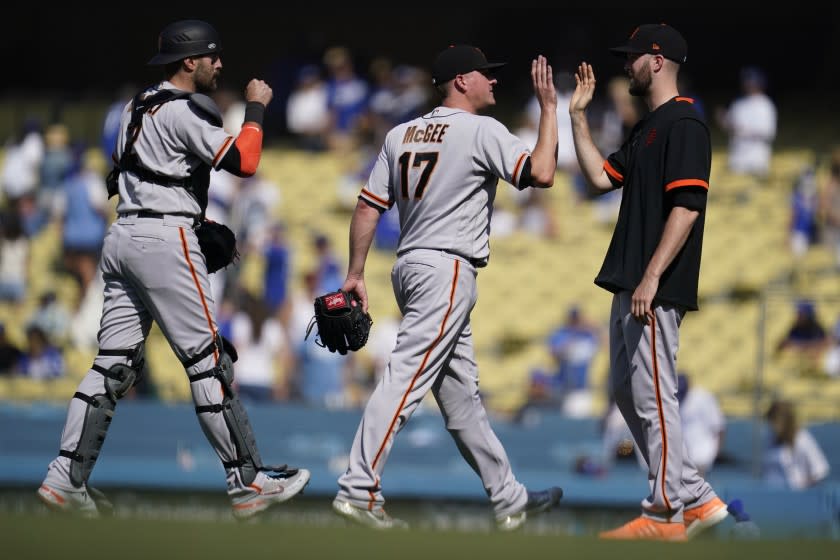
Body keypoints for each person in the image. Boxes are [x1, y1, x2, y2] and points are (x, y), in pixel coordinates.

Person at [35, 19, 309, 520]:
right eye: (212, 55)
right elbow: (245, 160)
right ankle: (246, 482)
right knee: (208, 362)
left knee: (112, 364)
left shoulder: (130, 108)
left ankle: (64, 478)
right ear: (190, 62)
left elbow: (132, 174)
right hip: (165, 237)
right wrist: (256, 107)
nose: (219, 63)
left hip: (122, 238)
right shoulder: (182, 111)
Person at [330, 44, 563, 531]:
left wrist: (354, 272)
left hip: (410, 266)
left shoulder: (401, 133)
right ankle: (358, 489)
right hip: (447, 268)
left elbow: (370, 205)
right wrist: (548, 110)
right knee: (406, 377)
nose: (494, 81)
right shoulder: (480, 130)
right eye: (486, 73)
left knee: (460, 399)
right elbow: (541, 172)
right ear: (460, 80)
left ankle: (509, 497)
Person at [569, 23, 728, 541]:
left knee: (655, 396)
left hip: (652, 286)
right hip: (631, 282)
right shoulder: (648, 127)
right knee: (626, 391)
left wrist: (653, 276)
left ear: (657, 61)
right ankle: (697, 498)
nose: (627, 65)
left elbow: (687, 208)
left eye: (634, 57)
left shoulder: (685, 123)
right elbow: (599, 179)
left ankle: (665, 514)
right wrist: (576, 117)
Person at [715, 66, 777, 180]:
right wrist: (723, 120)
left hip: (756, 162)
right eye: (746, 80)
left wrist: (741, 129)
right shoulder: (738, 104)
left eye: (750, 80)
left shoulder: (766, 105)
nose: (747, 83)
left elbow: (768, 134)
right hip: (737, 160)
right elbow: (729, 128)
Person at [762, 398, 830, 489]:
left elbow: (821, 470)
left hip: (797, 498)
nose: (772, 425)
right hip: (772, 496)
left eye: (775, 421)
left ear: (786, 421)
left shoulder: (802, 438)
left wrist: (802, 487)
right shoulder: (770, 438)